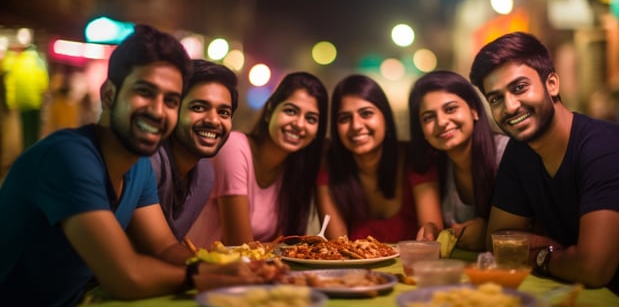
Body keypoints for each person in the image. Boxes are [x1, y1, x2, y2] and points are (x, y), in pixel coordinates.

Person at [0, 25, 247, 305]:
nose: (157, 110)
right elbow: (125, 276)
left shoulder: (138, 165)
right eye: (145, 92)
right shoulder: (68, 156)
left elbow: (164, 248)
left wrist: (225, 269)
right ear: (108, 94)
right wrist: (201, 276)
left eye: (170, 101)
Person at [469, 31, 619, 305]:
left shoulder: (607, 148)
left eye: (520, 87)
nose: (510, 106)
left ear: (552, 84)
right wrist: (563, 255)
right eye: (495, 99)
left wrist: (543, 255)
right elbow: (498, 243)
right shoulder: (519, 152)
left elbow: (592, 268)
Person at [188, 71, 328, 248]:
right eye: (291, 111)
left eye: (311, 119)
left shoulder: (294, 172)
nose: (299, 124)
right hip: (202, 267)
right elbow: (240, 246)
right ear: (269, 111)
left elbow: (282, 244)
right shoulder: (234, 147)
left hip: (255, 271)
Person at [316, 74, 443, 243]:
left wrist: (430, 231)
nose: (356, 125)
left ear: (385, 117)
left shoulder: (415, 158)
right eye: (344, 118)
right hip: (354, 269)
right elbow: (338, 246)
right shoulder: (329, 167)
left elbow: (432, 230)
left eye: (366, 113)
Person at [408, 70, 508, 251]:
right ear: (421, 130)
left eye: (451, 109)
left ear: (474, 110)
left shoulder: (506, 153)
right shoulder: (437, 165)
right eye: (428, 117)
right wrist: (432, 231)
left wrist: (490, 234)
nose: (441, 122)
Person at [151, 59, 239, 241]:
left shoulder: (205, 175)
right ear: (172, 109)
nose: (214, 121)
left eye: (224, 113)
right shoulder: (150, 163)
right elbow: (159, 249)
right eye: (198, 107)